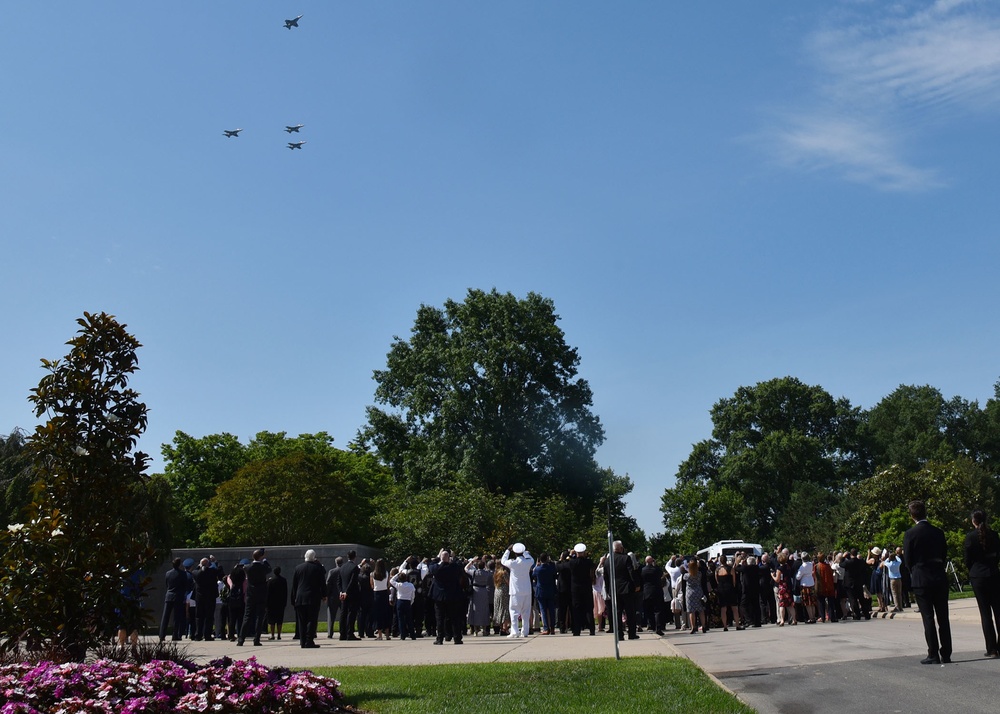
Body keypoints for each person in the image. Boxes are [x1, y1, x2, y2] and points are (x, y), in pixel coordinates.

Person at [903, 500, 952, 664]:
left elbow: (908, 559)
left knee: (928, 617)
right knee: (943, 616)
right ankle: (946, 652)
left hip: (921, 577)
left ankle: (933, 653)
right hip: (938, 575)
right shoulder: (938, 532)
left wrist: (914, 571)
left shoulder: (910, 534)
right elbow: (943, 554)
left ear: (912, 516)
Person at [964, 509, 1000, 657]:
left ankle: (991, 648)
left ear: (974, 521)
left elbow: (967, 559)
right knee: (998, 611)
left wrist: (973, 569)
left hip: (978, 576)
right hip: (994, 574)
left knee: (985, 614)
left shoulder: (970, 537)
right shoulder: (994, 535)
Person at [428, 548, 466, 645]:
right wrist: (453, 556)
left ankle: (440, 638)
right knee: (454, 618)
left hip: (439, 596)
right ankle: (457, 638)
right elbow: (460, 565)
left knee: (439, 618)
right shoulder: (453, 567)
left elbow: (431, 564)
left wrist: (438, 556)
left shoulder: (436, 568)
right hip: (452, 595)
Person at [291, 549, 326, 649]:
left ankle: (302, 641)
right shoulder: (317, 568)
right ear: (314, 557)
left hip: (300, 597)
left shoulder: (298, 568)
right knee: (312, 620)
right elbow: (322, 583)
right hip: (313, 598)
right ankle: (309, 641)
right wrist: (324, 595)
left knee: (302, 621)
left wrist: (293, 598)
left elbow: (294, 585)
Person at [239, 548, 271, 647]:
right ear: (261, 556)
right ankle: (256, 639)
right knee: (259, 617)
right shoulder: (263, 566)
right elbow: (269, 568)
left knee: (247, 616)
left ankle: (241, 639)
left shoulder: (247, 567)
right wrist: (265, 560)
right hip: (261, 593)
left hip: (251, 594)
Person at [501, 543, 534, 638]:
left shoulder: (513, 563)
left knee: (514, 611)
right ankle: (525, 631)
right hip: (527, 590)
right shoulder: (528, 562)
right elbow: (531, 559)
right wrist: (525, 552)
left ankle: (515, 631)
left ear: (515, 553)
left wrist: (508, 550)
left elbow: (503, 561)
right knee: (526, 612)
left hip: (515, 591)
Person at [608, 540, 639, 640]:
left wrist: (608, 589)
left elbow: (606, 576)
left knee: (617, 612)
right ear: (621, 548)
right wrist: (636, 584)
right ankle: (632, 633)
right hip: (626, 588)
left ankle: (619, 634)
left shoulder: (608, 561)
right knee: (630, 612)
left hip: (614, 589)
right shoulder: (626, 558)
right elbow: (631, 572)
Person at [569, 544, 596, 636]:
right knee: (589, 609)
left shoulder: (572, 562)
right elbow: (593, 566)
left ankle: (577, 630)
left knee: (576, 609)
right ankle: (592, 629)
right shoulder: (588, 562)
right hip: (587, 587)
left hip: (575, 589)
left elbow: (566, 563)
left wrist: (570, 555)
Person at [159, 558, 187, 642]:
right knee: (176, 617)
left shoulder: (168, 573)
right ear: (179, 564)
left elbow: (167, 584)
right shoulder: (183, 574)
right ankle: (175, 635)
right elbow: (184, 585)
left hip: (169, 595)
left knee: (165, 616)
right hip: (178, 596)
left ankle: (162, 635)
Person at [192, 558, 219, 641]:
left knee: (199, 617)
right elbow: (218, 570)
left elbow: (195, 570)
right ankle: (207, 635)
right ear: (208, 564)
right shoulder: (212, 572)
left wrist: (199, 566)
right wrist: (214, 562)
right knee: (209, 617)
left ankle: (198, 635)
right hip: (210, 597)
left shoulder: (195, 573)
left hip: (199, 598)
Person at [532, 554, 557, 635]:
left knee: (543, 610)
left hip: (541, 591)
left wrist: (536, 565)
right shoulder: (551, 568)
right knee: (551, 610)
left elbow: (533, 575)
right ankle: (552, 627)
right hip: (550, 591)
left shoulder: (538, 569)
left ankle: (546, 628)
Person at [338, 550, 361, 641]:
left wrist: (341, 592)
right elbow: (352, 581)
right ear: (354, 557)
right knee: (351, 613)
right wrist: (347, 592)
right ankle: (349, 633)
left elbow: (339, 581)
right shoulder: (354, 567)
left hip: (343, 593)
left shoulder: (342, 567)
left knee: (343, 613)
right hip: (352, 594)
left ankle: (342, 633)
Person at [640, 555, 665, 636]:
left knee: (649, 610)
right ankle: (658, 627)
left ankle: (652, 625)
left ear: (645, 562)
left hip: (647, 592)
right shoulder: (656, 570)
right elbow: (661, 574)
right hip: (657, 591)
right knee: (657, 611)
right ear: (652, 561)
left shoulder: (642, 570)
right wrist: (655, 564)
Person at [714, 557, 741, 631]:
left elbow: (717, 581)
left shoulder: (717, 570)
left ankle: (725, 626)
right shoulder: (730, 569)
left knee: (723, 608)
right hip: (730, 588)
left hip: (721, 590)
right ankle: (737, 625)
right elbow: (734, 581)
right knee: (734, 608)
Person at [390, 570, 418, 640]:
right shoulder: (410, 585)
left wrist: (397, 574)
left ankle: (403, 635)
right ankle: (412, 634)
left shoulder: (399, 585)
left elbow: (391, 580)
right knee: (409, 619)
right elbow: (413, 595)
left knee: (400, 619)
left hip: (400, 601)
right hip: (407, 601)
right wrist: (411, 601)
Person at [266, 566, 288, 640]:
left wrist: (266, 603)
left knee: (271, 620)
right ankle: (279, 634)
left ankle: (272, 635)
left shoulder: (270, 581)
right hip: (281, 602)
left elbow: (268, 593)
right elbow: (285, 592)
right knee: (279, 619)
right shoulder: (283, 580)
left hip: (271, 603)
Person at [371, 558, 391, 640]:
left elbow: (371, 585)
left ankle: (379, 635)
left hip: (376, 594)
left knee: (378, 615)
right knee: (386, 614)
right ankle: (387, 634)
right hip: (384, 593)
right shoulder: (386, 573)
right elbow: (388, 584)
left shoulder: (373, 574)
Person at [325, 556, 343, 639]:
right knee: (343, 615)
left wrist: (326, 595)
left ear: (336, 563)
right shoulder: (343, 571)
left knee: (331, 615)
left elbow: (328, 584)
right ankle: (343, 631)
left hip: (333, 596)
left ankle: (330, 632)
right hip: (342, 595)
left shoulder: (332, 571)